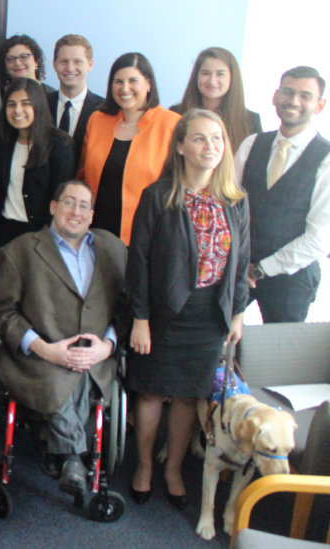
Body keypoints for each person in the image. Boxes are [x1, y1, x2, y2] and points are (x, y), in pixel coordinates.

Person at [127, 109, 250, 508]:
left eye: (216, 139)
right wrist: (140, 318)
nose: (210, 147)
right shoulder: (157, 196)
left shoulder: (235, 201)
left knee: (185, 397)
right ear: (180, 146)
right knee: (150, 393)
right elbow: (139, 261)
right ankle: (144, 465)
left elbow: (242, 260)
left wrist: (237, 312)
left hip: (209, 315)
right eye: (199, 138)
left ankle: (173, 468)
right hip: (162, 315)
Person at [0, 180, 125, 495]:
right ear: (53, 207)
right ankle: (74, 458)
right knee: (58, 379)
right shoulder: (19, 251)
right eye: (68, 202)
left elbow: (126, 310)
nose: (75, 212)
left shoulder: (114, 249)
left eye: (83, 206)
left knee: (83, 376)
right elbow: (1, 314)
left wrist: (106, 346)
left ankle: (59, 452)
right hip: (38, 355)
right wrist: (44, 349)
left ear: (92, 215)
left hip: (95, 355)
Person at [236, 66, 329, 323]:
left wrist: (262, 269)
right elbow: (228, 207)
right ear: (275, 96)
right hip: (238, 271)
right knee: (216, 341)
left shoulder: (327, 159)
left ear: (319, 105)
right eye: (287, 92)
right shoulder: (251, 144)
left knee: (280, 356)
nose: (293, 101)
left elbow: (320, 237)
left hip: (292, 280)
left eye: (305, 96)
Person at [79, 52, 180, 245]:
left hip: (147, 235)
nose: (125, 88)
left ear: (149, 84)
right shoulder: (97, 120)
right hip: (95, 232)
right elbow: (82, 174)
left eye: (133, 80)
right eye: (118, 82)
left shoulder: (171, 124)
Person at [0, 77, 74, 261]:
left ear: (38, 106)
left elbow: (63, 199)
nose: (18, 110)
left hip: (41, 238)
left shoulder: (59, 144)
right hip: (4, 234)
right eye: (11, 104)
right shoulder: (2, 143)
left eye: (26, 104)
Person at [171, 47, 261, 153]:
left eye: (220, 74)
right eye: (206, 73)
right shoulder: (176, 114)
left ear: (232, 78)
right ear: (196, 76)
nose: (212, 81)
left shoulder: (250, 120)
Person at [48, 34, 103, 169]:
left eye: (77, 61)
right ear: (54, 64)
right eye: (64, 61)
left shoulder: (104, 110)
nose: (70, 68)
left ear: (90, 65)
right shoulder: (40, 104)